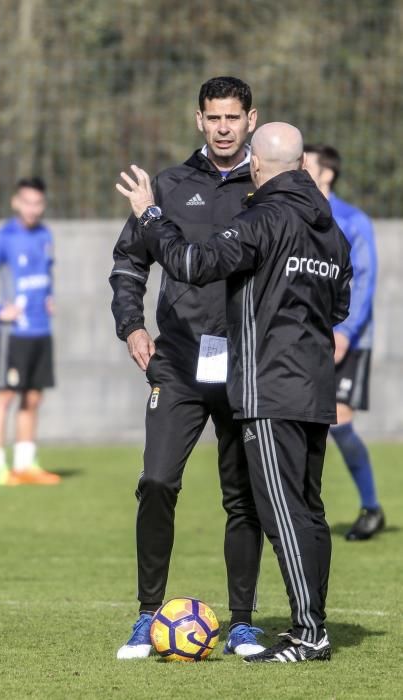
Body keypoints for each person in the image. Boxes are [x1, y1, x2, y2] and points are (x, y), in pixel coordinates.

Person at [116, 121, 352, 663]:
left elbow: (193, 263)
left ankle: (305, 631)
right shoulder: (329, 228)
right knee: (308, 510)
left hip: (264, 382)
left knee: (278, 511)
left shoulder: (266, 215)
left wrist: (151, 215)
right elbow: (336, 306)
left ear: (261, 164)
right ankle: (310, 622)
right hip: (312, 383)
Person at [110, 77, 265, 659]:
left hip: (244, 363)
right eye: (214, 118)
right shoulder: (169, 187)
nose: (223, 128)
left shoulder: (270, 185)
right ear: (199, 120)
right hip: (175, 361)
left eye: (233, 117)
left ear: (251, 119)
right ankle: (148, 616)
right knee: (155, 482)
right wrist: (132, 324)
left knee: (243, 496)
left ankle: (244, 622)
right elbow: (129, 262)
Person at [304, 144, 385, 541]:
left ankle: (371, 507)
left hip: (344, 338)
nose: (299, 167)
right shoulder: (294, 212)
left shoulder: (353, 219)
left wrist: (345, 333)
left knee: (339, 422)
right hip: (303, 335)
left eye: (307, 163)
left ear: (328, 174)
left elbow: (365, 281)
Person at [0, 177, 61, 486]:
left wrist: (49, 297)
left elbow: (45, 271)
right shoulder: (4, 237)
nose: (33, 208)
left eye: (38, 202)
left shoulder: (45, 234)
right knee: (4, 396)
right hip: (14, 332)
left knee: (33, 397)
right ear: (15, 202)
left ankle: (25, 463)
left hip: (41, 329)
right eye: (27, 202)